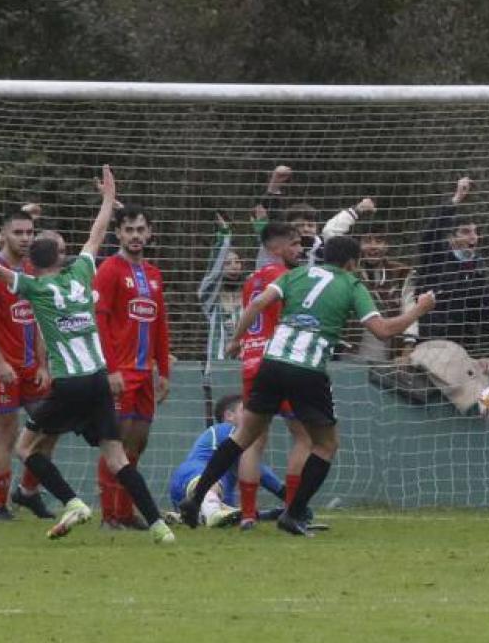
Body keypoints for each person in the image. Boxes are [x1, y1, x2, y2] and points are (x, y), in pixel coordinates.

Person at [0, 166, 175, 544]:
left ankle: (73, 502)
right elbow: (96, 235)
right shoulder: (80, 273)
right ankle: (158, 525)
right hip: (98, 378)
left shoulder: (32, 286)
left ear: (33, 262)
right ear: (60, 259)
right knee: (117, 457)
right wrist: (109, 198)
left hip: (69, 383)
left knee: (23, 447)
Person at [181, 235, 436, 535]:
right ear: (352, 263)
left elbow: (258, 303)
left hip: (271, 363)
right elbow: (383, 331)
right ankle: (293, 513)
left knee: (243, 436)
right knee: (325, 445)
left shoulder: (296, 274)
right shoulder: (351, 285)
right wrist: (419, 308)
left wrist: (238, 339)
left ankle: (195, 499)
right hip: (307, 369)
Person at [0, 209, 54, 521]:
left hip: (33, 368)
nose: (25, 238)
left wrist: (44, 364)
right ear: (4, 234)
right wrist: (0, 361)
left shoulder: (35, 270)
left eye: (30, 233)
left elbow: (42, 320)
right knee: (5, 435)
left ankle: (28, 491)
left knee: (49, 428)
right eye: (18, 233)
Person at [93, 202, 172, 530]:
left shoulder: (154, 275)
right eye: (129, 230)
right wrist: (109, 369)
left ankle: (125, 511)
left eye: (141, 229)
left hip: (146, 373)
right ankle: (109, 515)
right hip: (120, 372)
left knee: (138, 441)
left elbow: (160, 325)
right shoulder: (109, 270)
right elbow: (99, 321)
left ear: (150, 233)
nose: (135, 236)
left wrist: (164, 370)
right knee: (116, 442)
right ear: (118, 234)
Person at [232, 221, 312, 529]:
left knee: (253, 440)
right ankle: (292, 512)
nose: (299, 249)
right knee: (304, 437)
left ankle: (248, 514)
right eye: (294, 244)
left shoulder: (250, 281)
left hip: (252, 362)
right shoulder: (287, 277)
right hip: (281, 363)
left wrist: (237, 341)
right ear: (276, 248)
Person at [168, 394, 286, 527]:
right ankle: (211, 512)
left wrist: (271, 515)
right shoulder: (225, 429)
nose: (252, 415)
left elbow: (233, 513)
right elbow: (261, 473)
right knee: (214, 489)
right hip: (192, 476)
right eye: (245, 410)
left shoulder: (230, 477)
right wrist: (290, 497)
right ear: (229, 416)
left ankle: (190, 516)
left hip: (186, 495)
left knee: (228, 512)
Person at [417, 177, 489, 356]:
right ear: (451, 237)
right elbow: (431, 233)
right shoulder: (436, 258)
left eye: (475, 232)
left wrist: (488, 354)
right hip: (431, 346)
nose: (473, 237)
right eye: (466, 232)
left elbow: (488, 314)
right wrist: (456, 198)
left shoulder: (478, 269)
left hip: (463, 351)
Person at [355, 228, 417, 362]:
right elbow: (330, 232)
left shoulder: (402, 273)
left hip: (388, 348)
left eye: (379, 241)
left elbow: (409, 308)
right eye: (367, 241)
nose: (373, 246)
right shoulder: (350, 271)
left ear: (387, 245)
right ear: (359, 245)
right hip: (352, 349)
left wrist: (408, 346)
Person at [198, 213, 245, 362]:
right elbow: (212, 275)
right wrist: (224, 237)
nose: (234, 267)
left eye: (237, 262)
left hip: (245, 365)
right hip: (218, 367)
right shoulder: (211, 300)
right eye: (227, 263)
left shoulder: (249, 298)